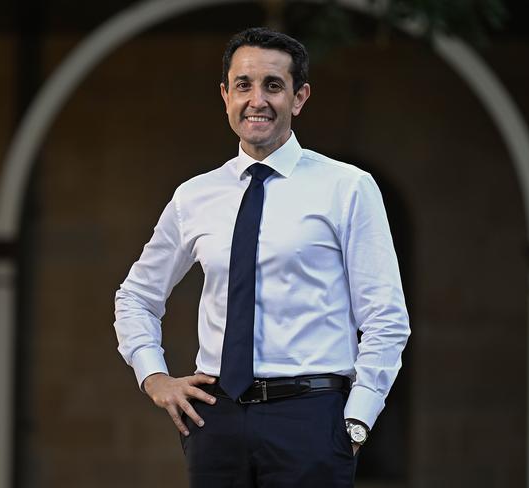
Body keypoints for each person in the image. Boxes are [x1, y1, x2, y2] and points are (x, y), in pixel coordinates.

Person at [114, 27, 410, 488]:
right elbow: (136, 296)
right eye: (243, 85)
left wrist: (357, 420)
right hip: (216, 419)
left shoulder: (347, 187)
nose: (257, 100)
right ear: (225, 95)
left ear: (299, 97)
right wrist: (154, 377)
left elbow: (386, 316)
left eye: (273, 85)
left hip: (312, 419)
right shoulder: (195, 196)